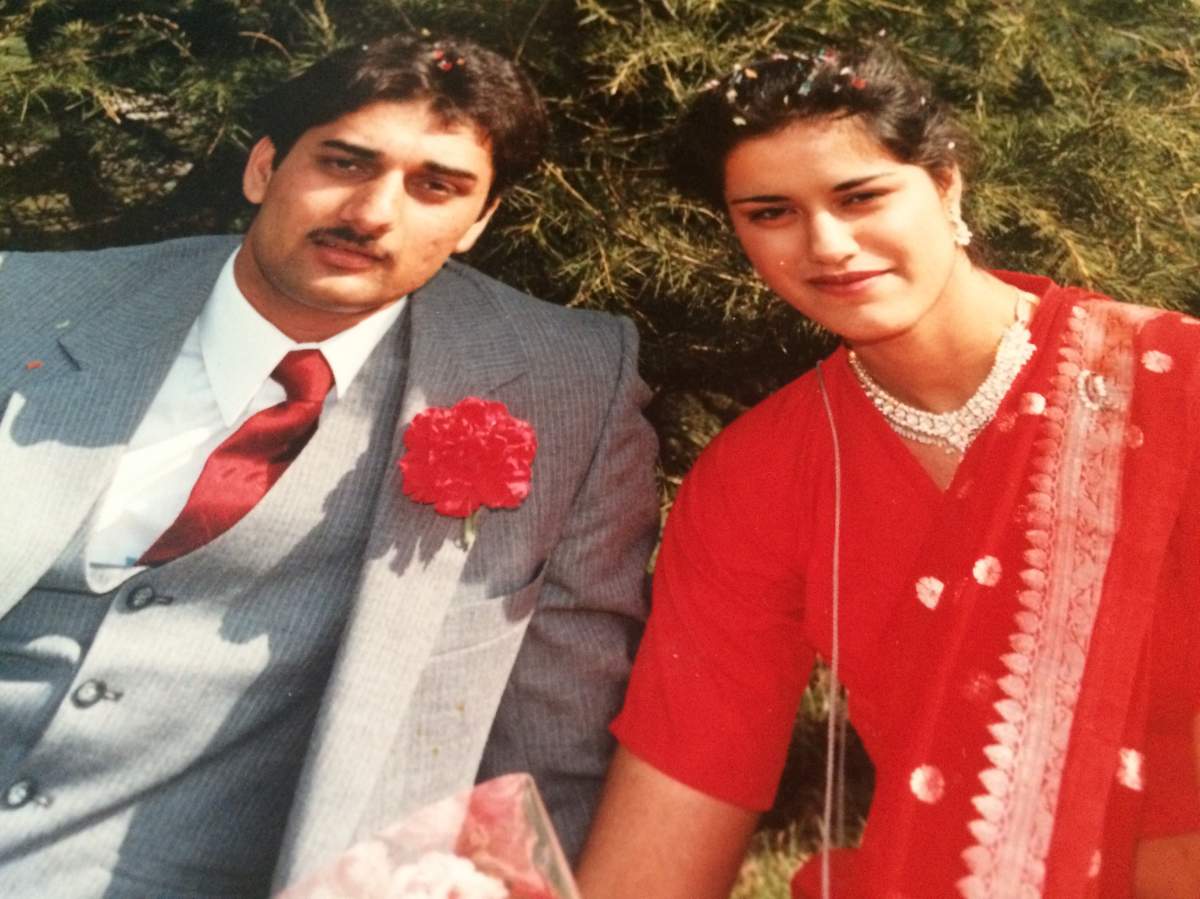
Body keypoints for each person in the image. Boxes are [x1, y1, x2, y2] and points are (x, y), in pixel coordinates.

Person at [0, 33, 658, 897]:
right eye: (345, 162)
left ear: (478, 222)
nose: (373, 211)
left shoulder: (564, 385)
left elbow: (551, 738)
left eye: (436, 186)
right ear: (263, 168)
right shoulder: (26, 304)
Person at [576, 44, 1200, 899]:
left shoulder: (1172, 382)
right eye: (770, 212)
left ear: (946, 186)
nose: (828, 245)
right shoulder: (761, 476)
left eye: (860, 196)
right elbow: (685, 782)